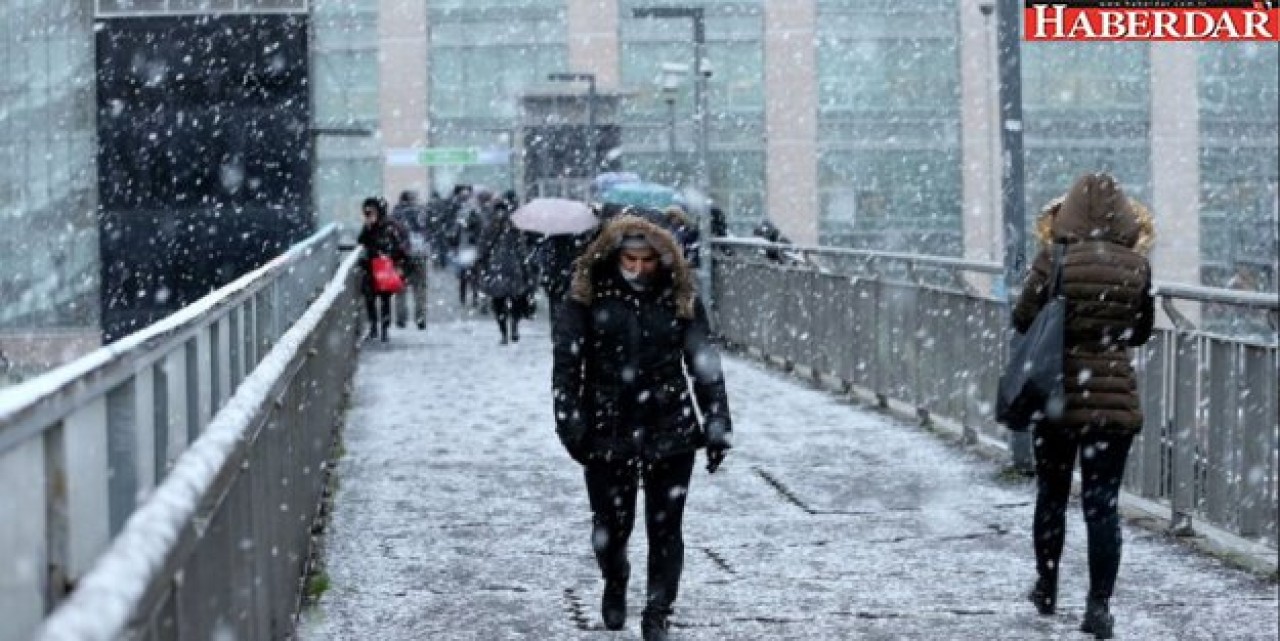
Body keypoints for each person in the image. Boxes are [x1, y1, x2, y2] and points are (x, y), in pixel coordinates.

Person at [552, 215, 733, 641]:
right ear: (614, 256)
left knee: (666, 525)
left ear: (661, 258)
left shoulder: (678, 293)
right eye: (629, 259)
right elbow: (567, 364)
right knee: (611, 527)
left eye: (647, 260)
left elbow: (703, 361)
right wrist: (570, 420)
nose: (638, 268)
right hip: (606, 423)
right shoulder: (587, 293)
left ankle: (658, 610)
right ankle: (616, 577)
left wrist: (717, 418)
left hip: (668, 421)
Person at [1013, 172, 1154, 640]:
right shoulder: (1136, 266)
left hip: (1056, 395)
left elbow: (1021, 318)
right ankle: (1098, 607)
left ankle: (1047, 586)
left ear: (1067, 211)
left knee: (1052, 495)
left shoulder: (1054, 258)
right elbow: (1139, 331)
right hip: (1112, 403)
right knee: (1102, 506)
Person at [474, 201, 535, 344]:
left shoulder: (490, 228)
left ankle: (504, 333)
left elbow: (482, 249)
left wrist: (481, 265)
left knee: (499, 303)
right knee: (515, 301)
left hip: (496, 270)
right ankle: (513, 326)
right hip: (513, 269)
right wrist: (526, 269)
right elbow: (522, 250)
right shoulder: (514, 227)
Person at [356, 197, 407, 342]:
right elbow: (361, 241)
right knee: (370, 299)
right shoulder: (368, 226)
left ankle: (384, 329)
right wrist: (368, 227)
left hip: (384, 267)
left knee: (385, 299)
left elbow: (396, 246)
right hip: (371, 267)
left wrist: (394, 261)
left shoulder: (389, 226)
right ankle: (373, 327)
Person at [390, 190, 429, 330]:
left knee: (400, 288)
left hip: (401, 255)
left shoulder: (395, 214)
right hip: (419, 252)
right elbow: (427, 231)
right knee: (420, 288)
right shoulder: (420, 212)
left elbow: (391, 234)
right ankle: (420, 318)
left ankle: (401, 318)